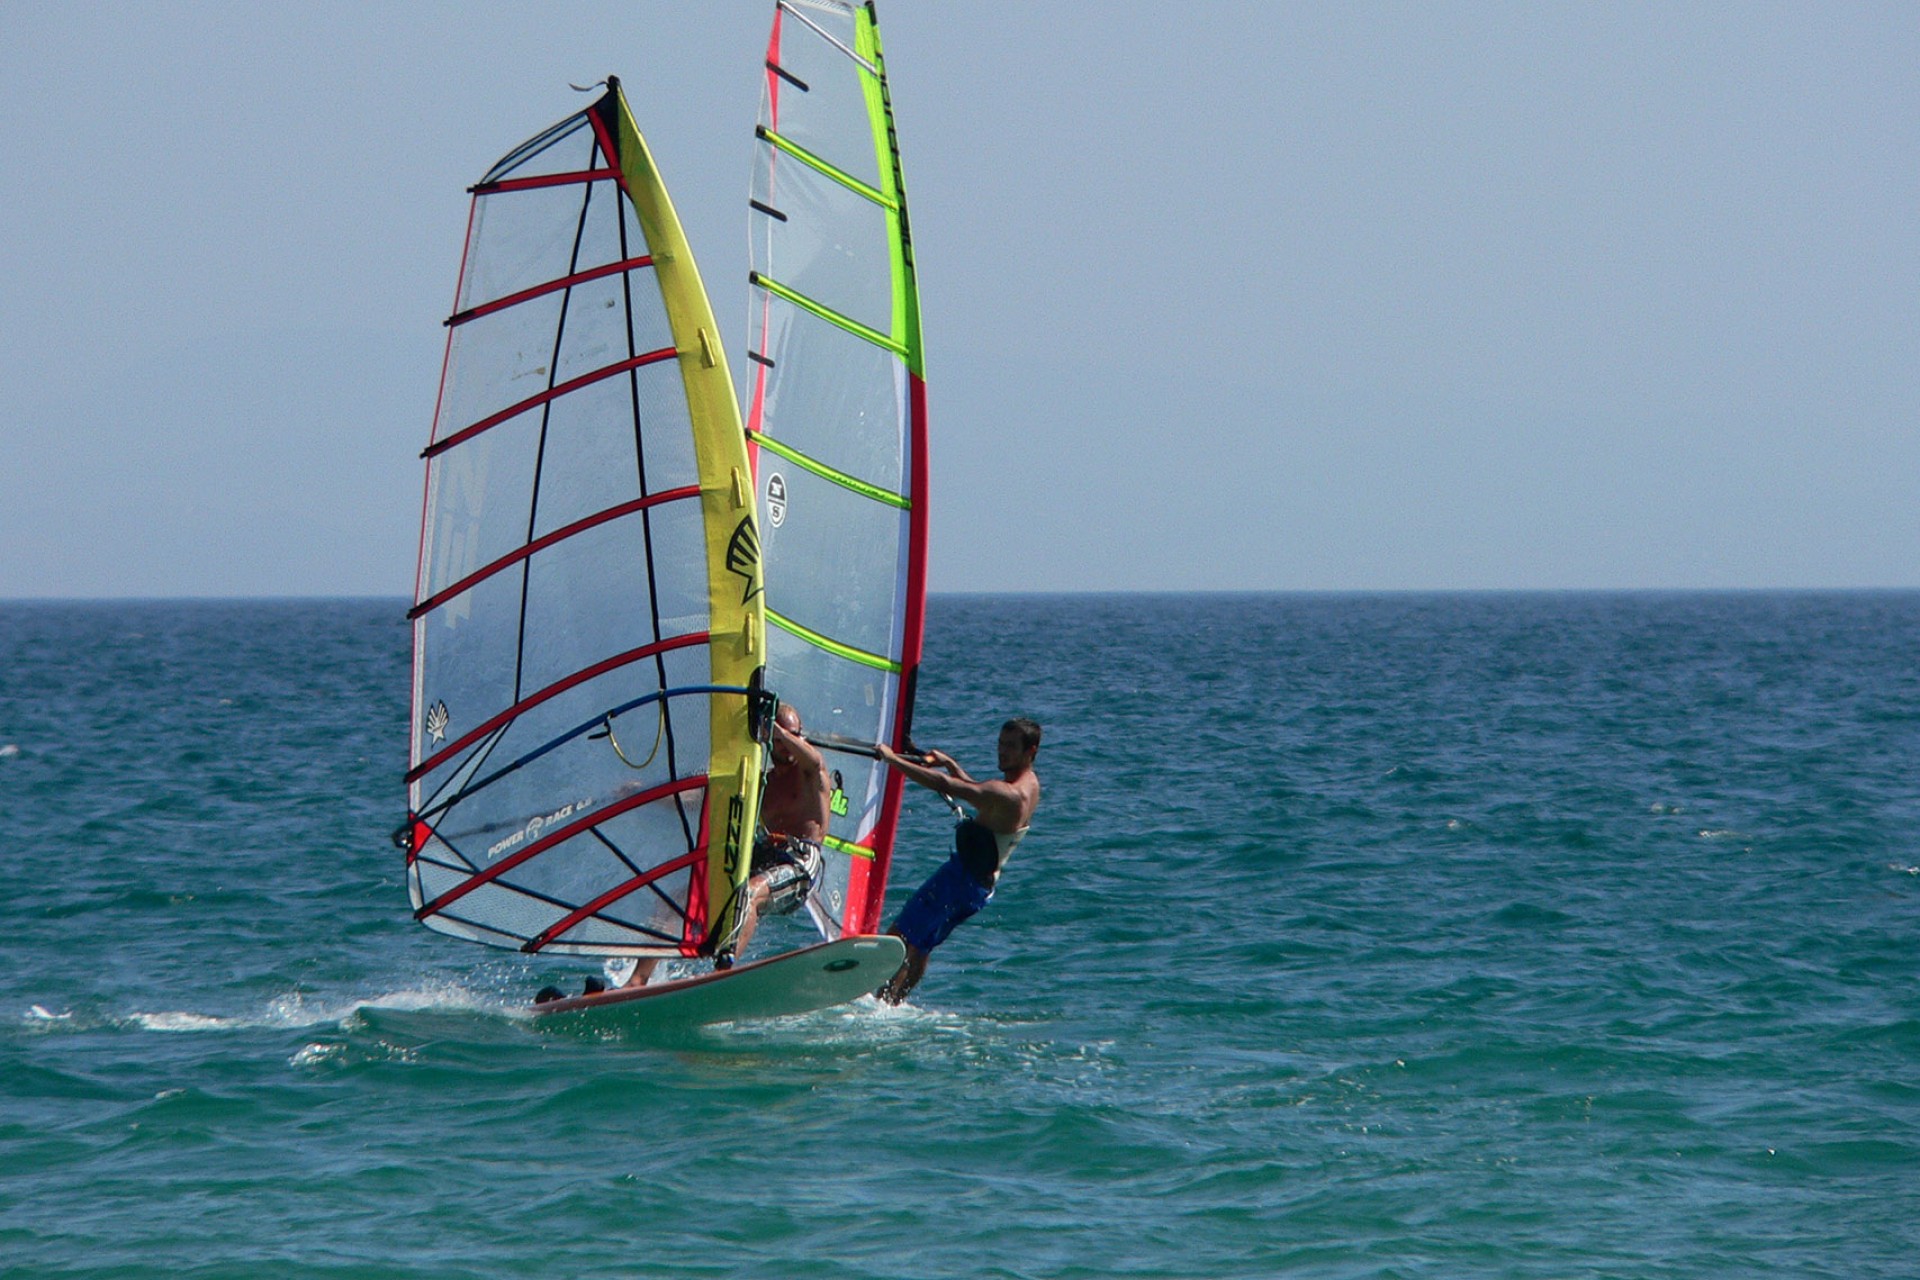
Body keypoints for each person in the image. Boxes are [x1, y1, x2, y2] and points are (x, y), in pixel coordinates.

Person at [615, 702, 830, 988]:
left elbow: (813, 761)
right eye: (778, 740)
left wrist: (781, 732)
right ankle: (637, 980)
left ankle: (721, 974)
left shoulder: (811, 775)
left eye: (792, 736)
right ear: (766, 741)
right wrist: (643, 794)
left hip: (800, 862)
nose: (786, 745)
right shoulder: (760, 782)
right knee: (676, 900)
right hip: (764, 857)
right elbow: (698, 799)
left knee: (750, 893)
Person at [875, 718, 1042, 1005]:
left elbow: (945, 785)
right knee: (922, 945)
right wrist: (950, 763)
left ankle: (879, 1001)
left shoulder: (1008, 793)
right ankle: (893, 1003)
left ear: (1031, 751)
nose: (1002, 751)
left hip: (959, 880)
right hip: (979, 888)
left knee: (900, 936)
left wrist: (891, 759)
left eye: (1011, 747)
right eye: (1001, 743)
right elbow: (980, 794)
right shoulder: (1029, 785)